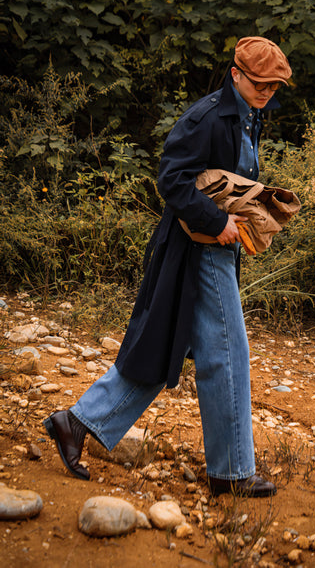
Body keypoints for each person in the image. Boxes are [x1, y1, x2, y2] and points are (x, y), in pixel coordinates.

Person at [44, 36, 292, 497]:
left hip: (215, 249)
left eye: (274, 87)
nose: (267, 93)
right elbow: (171, 178)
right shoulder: (206, 117)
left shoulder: (252, 114)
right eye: (260, 84)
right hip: (197, 252)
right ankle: (233, 474)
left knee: (163, 349)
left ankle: (75, 423)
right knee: (229, 355)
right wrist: (216, 220)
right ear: (235, 74)